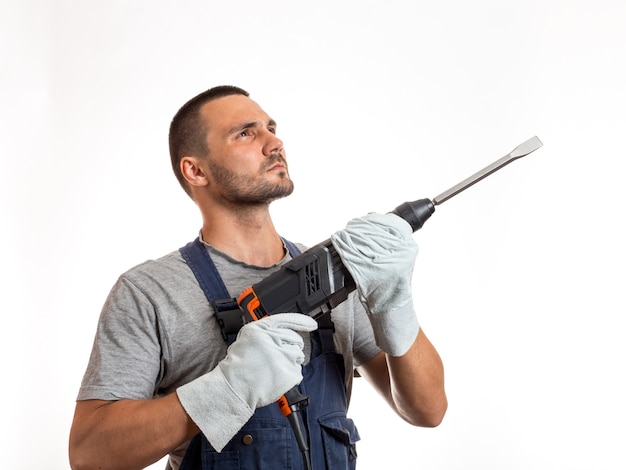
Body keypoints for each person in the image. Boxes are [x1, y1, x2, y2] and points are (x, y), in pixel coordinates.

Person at [68, 85, 447, 470]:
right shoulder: (151, 292)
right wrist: (225, 389)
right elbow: (89, 454)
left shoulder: (336, 277)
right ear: (195, 170)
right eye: (246, 133)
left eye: (271, 127)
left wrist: (393, 301)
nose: (274, 142)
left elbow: (427, 410)